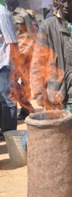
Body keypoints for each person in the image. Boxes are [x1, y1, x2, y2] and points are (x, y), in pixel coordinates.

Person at [30, 0, 72, 152]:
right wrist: (38, 92)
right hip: (58, 96)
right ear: (57, 2)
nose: (67, 4)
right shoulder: (47, 26)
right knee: (59, 146)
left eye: (71, 0)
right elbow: (38, 62)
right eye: (63, 0)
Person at [6, 0, 36, 120]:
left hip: (25, 55)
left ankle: (25, 109)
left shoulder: (24, 14)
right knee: (10, 81)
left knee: (25, 82)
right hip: (11, 54)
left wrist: (25, 52)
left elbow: (32, 35)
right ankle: (26, 105)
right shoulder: (6, 13)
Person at [0, 1, 18, 140]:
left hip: (4, 64)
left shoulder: (2, 12)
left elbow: (12, 41)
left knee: (8, 101)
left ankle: (10, 136)